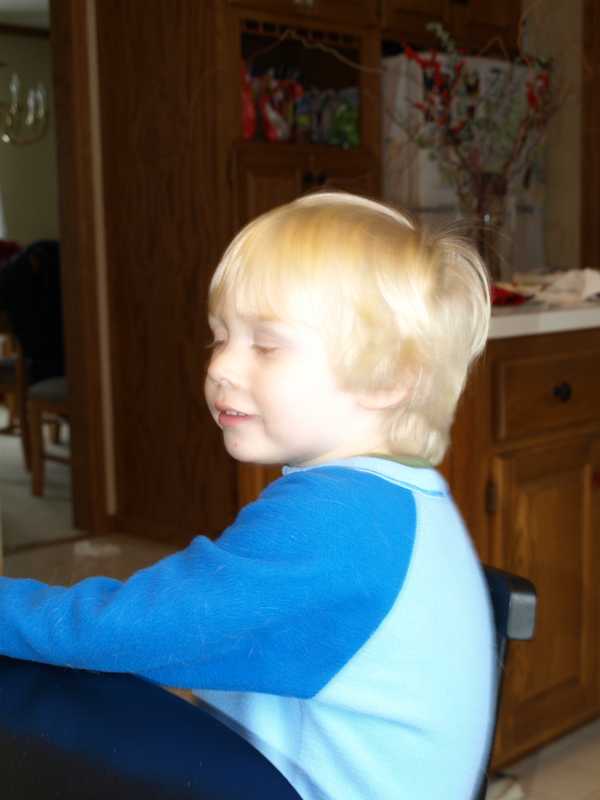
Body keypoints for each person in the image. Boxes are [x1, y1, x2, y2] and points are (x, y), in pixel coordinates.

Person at [0, 193, 494, 799]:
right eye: (219, 338)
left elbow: (128, 630)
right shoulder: (400, 496)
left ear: (390, 379)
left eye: (266, 346)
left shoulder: (335, 519)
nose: (221, 369)